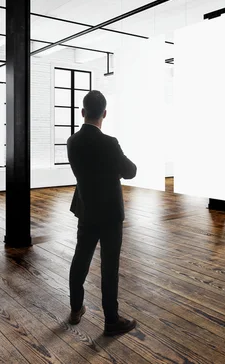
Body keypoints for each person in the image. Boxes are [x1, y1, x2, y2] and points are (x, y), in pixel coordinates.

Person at [66, 90, 138, 336]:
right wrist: (113, 172)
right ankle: (111, 320)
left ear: (83, 112)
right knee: (109, 267)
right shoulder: (110, 143)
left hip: (86, 211)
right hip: (109, 214)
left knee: (80, 260)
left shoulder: (72, 141)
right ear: (104, 114)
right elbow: (130, 171)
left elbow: (85, 171)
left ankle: (76, 309)